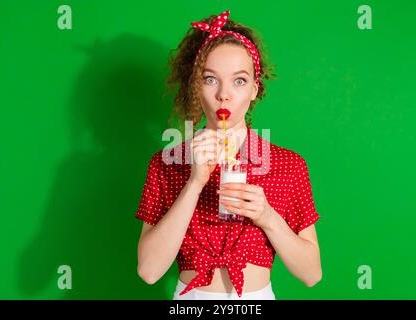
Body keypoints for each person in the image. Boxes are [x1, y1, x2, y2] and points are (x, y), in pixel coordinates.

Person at [135, 10, 322, 300]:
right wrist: (195, 183)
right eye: (210, 79)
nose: (224, 94)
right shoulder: (167, 164)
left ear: (253, 90)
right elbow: (149, 271)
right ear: (195, 86)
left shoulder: (288, 165)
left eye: (239, 81)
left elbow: (312, 274)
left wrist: (267, 216)